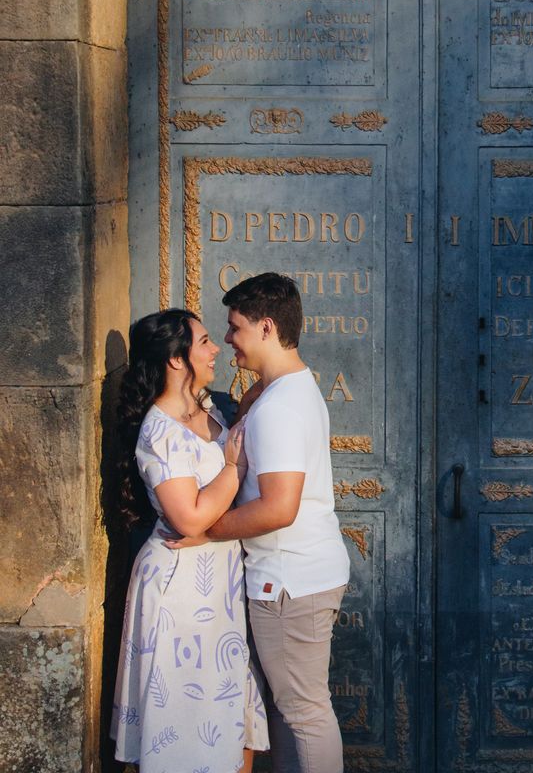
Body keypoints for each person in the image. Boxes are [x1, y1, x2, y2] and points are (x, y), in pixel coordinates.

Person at [166, 273, 351, 773]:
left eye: (235, 327)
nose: (228, 339)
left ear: (266, 327)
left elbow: (278, 508)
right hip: (298, 576)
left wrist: (205, 530)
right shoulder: (285, 391)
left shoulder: (282, 407)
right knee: (294, 712)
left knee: (304, 713)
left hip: (290, 582)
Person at [111, 308, 269, 773]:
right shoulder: (158, 431)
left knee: (229, 721)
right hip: (179, 594)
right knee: (184, 726)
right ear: (176, 360)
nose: (215, 347)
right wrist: (231, 467)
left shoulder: (207, 408)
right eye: (203, 342)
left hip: (218, 584)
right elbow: (190, 517)